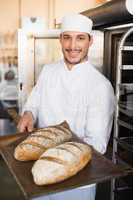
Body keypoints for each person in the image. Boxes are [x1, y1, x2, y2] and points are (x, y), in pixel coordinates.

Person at [17, 13, 115, 200]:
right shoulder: (48, 71)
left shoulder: (100, 86)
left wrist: (57, 154)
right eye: (67, 37)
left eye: (80, 38)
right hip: (39, 170)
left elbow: (97, 144)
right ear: (60, 40)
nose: (72, 46)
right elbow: (34, 102)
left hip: (77, 181)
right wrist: (29, 113)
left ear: (90, 41)